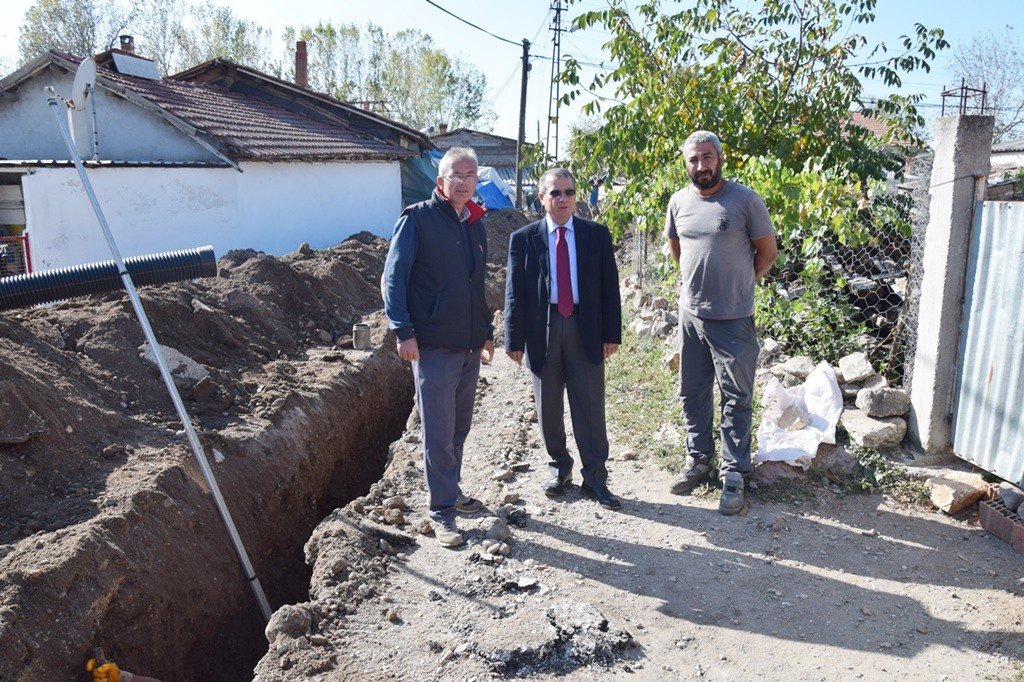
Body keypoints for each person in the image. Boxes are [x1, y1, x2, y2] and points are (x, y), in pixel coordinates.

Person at [383, 147, 495, 547]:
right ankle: (441, 512)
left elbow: (476, 286)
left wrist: (485, 333)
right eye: (456, 175)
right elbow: (393, 280)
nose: (464, 181)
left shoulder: (475, 224)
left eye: (471, 175)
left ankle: (451, 492)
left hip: (466, 346)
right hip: (432, 346)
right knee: (438, 431)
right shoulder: (418, 220)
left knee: (459, 427)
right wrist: (403, 331)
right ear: (441, 181)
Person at [665, 130, 778, 515]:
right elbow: (677, 248)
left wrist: (740, 286)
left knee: (736, 398)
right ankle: (699, 461)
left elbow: (767, 252)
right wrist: (693, 290)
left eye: (708, 157)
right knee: (692, 392)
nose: (702, 165)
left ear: (720, 159)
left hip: (733, 320)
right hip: (691, 316)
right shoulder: (679, 201)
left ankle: (734, 474)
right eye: (694, 159)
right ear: (686, 163)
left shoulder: (745, 201)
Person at [504, 168, 623, 510]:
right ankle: (560, 468)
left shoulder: (595, 235)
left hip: (584, 328)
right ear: (541, 198)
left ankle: (595, 479)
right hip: (543, 330)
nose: (563, 199)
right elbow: (514, 293)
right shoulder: (524, 239)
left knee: (589, 406)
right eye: (555, 193)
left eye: (569, 192)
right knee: (549, 408)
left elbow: (609, 289)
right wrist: (514, 338)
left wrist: (611, 333)